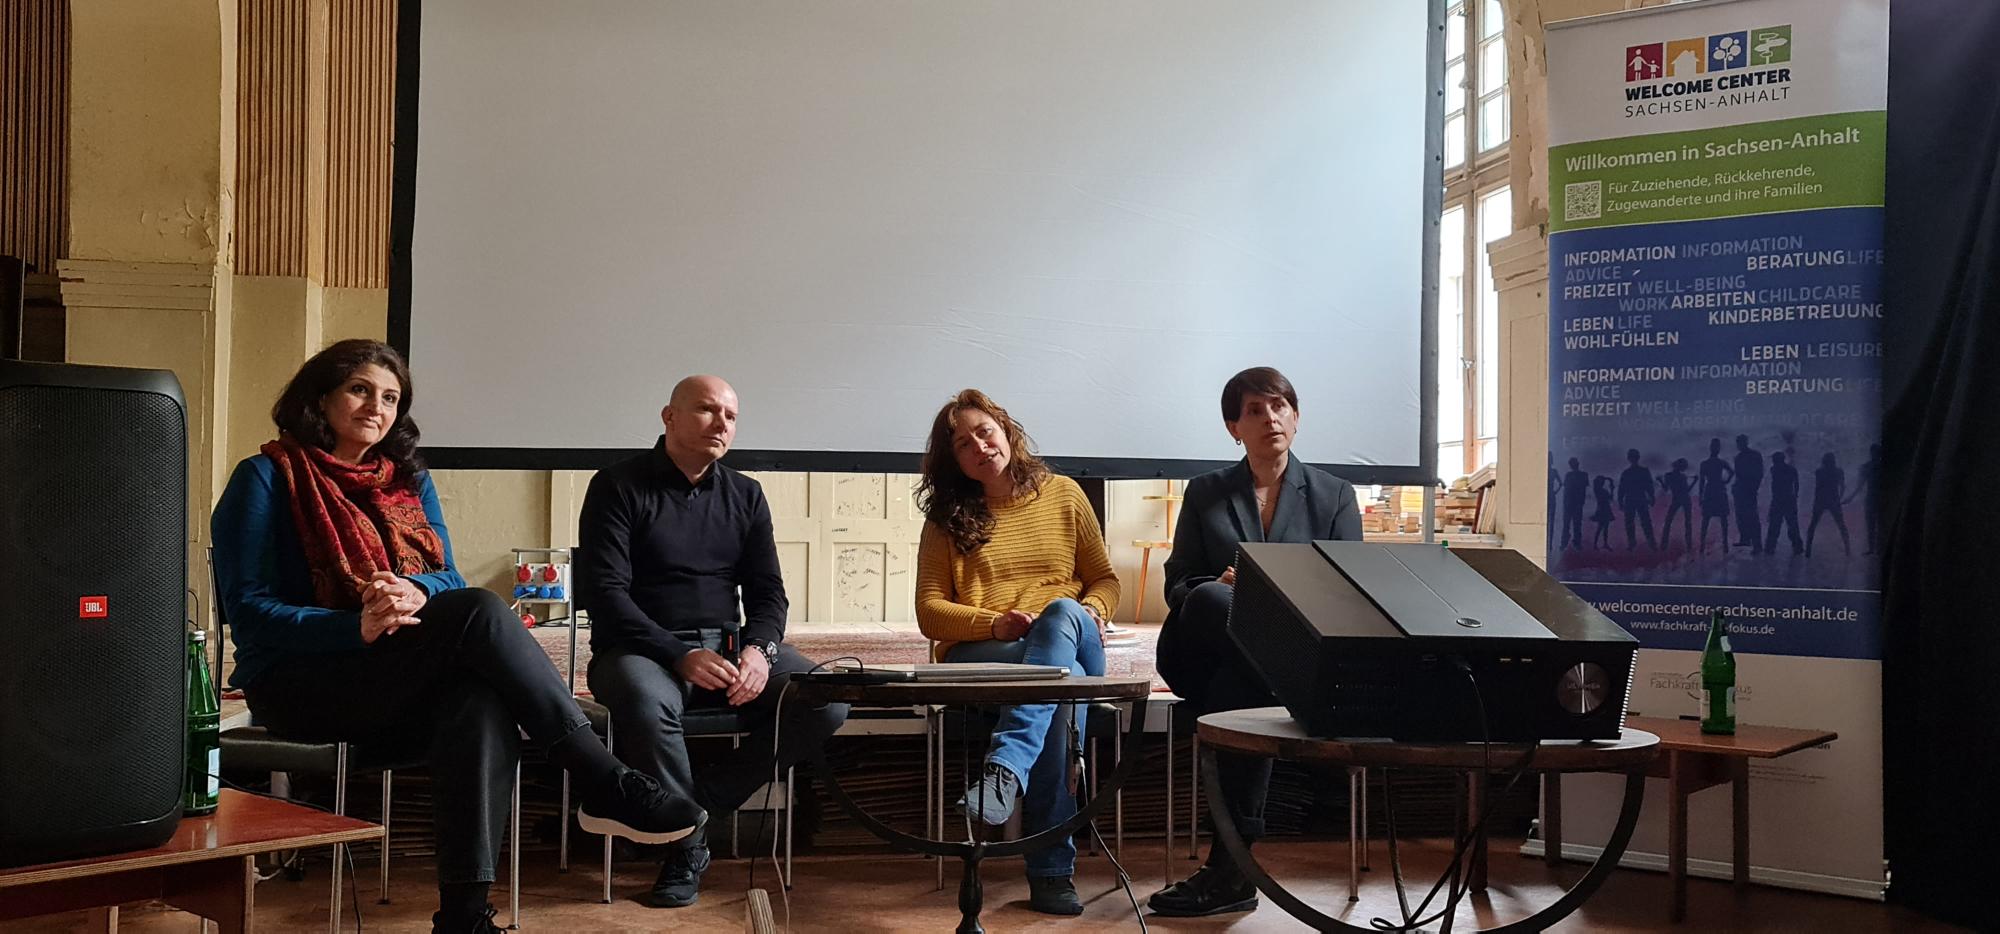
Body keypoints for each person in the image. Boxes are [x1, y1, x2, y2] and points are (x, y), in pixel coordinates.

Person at [212, 340, 703, 934]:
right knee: (477, 611)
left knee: (477, 697)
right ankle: (601, 778)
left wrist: (416, 592)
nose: (377, 407)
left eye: (391, 397)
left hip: (391, 680)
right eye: (360, 390)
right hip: (302, 685)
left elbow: (444, 574)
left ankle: (466, 918)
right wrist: (355, 624)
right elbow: (248, 611)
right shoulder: (266, 476)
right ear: (320, 398)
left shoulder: (408, 482)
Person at [577, 375, 850, 909]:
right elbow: (605, 594)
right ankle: (687, 850)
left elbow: (769, 595)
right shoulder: (616, 485)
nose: (721, 423)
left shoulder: (746, 494)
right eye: (706, 409)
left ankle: (694, 809)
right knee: (643, 699)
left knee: (828, 699)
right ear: (669, 416)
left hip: (729, 652)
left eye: (730, 415)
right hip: (640, 652)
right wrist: (679, 654)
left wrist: (759, 652)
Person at [1149, 367, 1361, 917]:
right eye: (1255, 410)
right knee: (1217, 603)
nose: (1271, 417)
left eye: (1281, 406)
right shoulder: (1206, 492)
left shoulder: (1335, 496)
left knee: (1238, 697)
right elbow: (1178, 582)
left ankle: (1231, 869)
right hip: (1201, 644)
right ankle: (1241, 860)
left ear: (1295, 415)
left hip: (1271, 660)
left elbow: (1349, 591)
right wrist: (1217, 585)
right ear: (1233, 427)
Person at [913, 389, 1119, 917]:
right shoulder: (946, 521)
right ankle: (1051, 872)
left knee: (1060, 616)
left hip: (1071, 635)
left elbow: (1104, 580)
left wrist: (1091, 609)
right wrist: (992, 621)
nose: (980, 445)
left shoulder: (1066, 494)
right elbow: (930, 612)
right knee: (1056, 691)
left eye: (986, 431)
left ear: (1007, 431)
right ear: (953, 460)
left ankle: (1004, 768)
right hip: (987, 651)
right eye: (963, 443)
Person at [1807, 452, 1852, 557]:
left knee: (1813, 525)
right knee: (1841, 525)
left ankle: (1808, 550)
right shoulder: (1838, 472)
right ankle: (1847, 549)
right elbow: (1842, 486)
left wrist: (1816, 502)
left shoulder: (1819, 472)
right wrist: (1839, 498)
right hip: (1833, 500)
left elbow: (1817, 489)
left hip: (1821, 500)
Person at [1698, 438, 1735, 555]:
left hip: (1712, 490)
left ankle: (1704, 546)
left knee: (1710, 519)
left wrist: (1700, 496)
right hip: (1717, 489)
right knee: (1718, 518)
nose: (1716, 449)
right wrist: (1726, 481)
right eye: (1716, 447)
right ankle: (1723, 545)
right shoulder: (1720, 462)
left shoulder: (1705, 463)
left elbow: (1702, 482)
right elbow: (1731, 473)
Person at [1617, 448, 1658, 552]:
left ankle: (1649, 543)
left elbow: (1649, 486)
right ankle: (1638, 543)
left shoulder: (1629, 472)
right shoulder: (1633, 472)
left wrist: (1652, 497)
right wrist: (1620, 501)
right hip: (1635, 499)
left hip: (1636, 499)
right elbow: (1622, 489)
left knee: (1642, 522)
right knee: (1635, 522)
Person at [1765, 452, 1805, 556]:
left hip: (1778, 500)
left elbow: (1775, 487)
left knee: (1774, 525)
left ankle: (1770, 547)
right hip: (1789, 499)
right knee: (1792, 524)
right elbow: (1796, 484)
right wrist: (1795, 496)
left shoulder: (1774, 470)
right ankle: (1797, 547)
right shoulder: (1791, 470)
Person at [1732, 434, 1766, 554]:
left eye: (1740, 442)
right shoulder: (1738, 457)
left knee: (1752, 517)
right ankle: (1745, 539)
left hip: (1749, 490)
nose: (1739, 445)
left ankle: (1757, 544)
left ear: (1745, 442)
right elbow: (1738, 475)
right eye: (1738, 442)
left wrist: (1754, 488)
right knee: (1741, 516)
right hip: (1741, 490)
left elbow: (1759, 473)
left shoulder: (1754, 455)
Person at [1660, 457, 1694, 551]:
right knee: (1686, 522)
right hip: (1683, 499)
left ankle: (1664, 544)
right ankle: (1688, 544)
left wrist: (1660, 481)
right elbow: (1687, 490)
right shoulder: (1681, 477)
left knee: (1669, 521)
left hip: (1678, 499)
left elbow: (1666, 489)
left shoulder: (1669, 476)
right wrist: (1695, 481)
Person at [1561, 457, 1589, 552]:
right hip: (1571, 503)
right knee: (1570, 523)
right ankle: (1567, 542)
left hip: (1574, 503)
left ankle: (1574, 543)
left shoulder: (1581, 475)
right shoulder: (1573, 475)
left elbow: (1582, 490)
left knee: (1575, 524)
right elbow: (1567, 490)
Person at [1591, 475, 1616, 550]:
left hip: (1604, 508)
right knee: (1601, 528)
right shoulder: (1598, 490)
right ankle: (1597, 544)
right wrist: (1608, 480)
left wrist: (1611, 487)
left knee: (1604, 528)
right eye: (1602, 482)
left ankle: (1602, 544)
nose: (1602, 483)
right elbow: (1610, 498)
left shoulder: (1600, 490)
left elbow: (1610, 498)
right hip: (1603, 509)